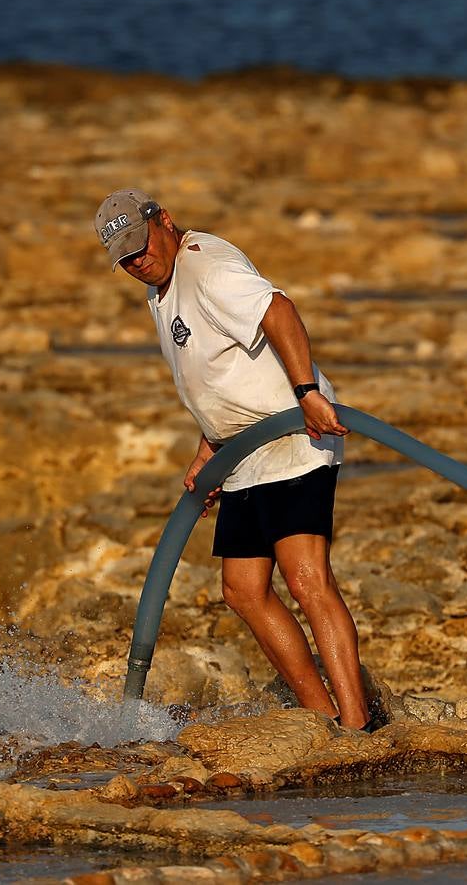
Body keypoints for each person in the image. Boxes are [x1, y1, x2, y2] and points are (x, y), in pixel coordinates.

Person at [94, 188, 370, 730]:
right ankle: (320, 717)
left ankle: (357, 726)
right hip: (244, 449)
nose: (137, 261)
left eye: (140, 245)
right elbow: (214, 373)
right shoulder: (163, 288)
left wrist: (308, 391)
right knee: (242, 591)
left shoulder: (208, 268)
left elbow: (279, 310)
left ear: (164, 221)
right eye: (124, 258)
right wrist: (209, 446)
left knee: (306, 578)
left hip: (293, 435)